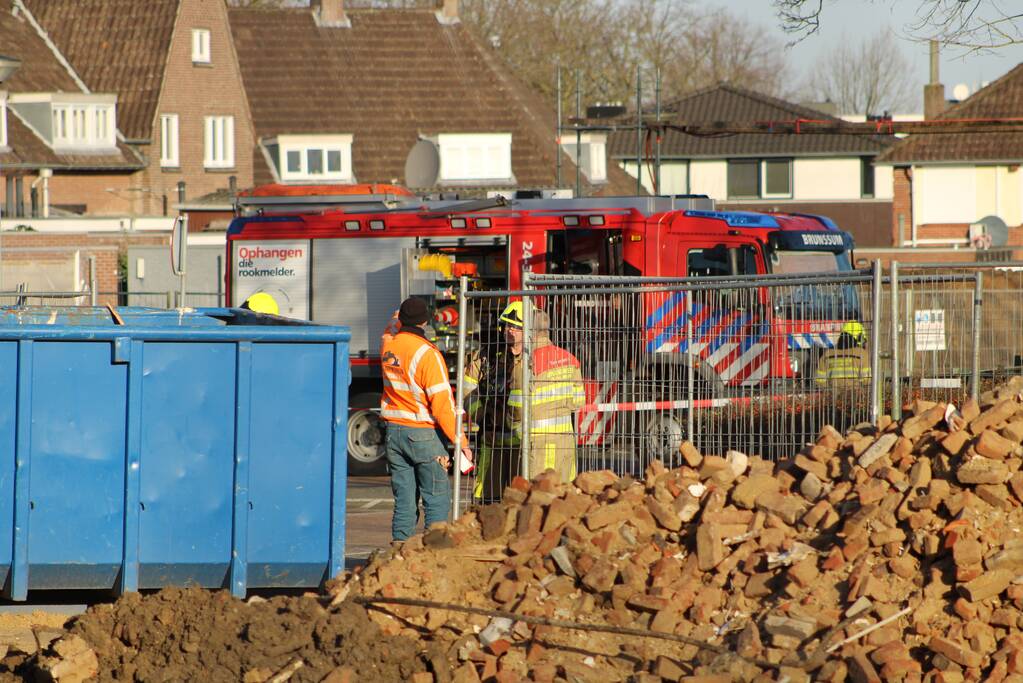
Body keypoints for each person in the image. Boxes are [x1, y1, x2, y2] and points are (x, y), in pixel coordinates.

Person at [465, 301, 585, 495]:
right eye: (506, 325)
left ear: (529, 329)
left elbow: (518, 409)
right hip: (494, 442)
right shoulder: (487, 357)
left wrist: (511, 420)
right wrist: (482, 416)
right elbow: (467, 387)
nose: (508, 331)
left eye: (515, 327)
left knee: (525, 498)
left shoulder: (529, 362)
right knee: (493, 499)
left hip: (525, 444)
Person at [380, 297, 472, 541]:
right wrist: (461, 442)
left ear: (401, 320)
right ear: (426, 321)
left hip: (394, 433)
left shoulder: (389, 345)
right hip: (422, 434)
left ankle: (399, 552)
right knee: (436, 498)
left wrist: (395, 316)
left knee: (405, 500)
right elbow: (443, 406)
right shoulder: (427, 354)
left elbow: (388, 329)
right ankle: (434, 554)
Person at [814, 320, 871, 387]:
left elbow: (819, 382)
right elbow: (867, 381)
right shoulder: (862, 354)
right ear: (859, 337)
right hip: (855, 395)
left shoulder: (827, 354)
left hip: (831, 395)